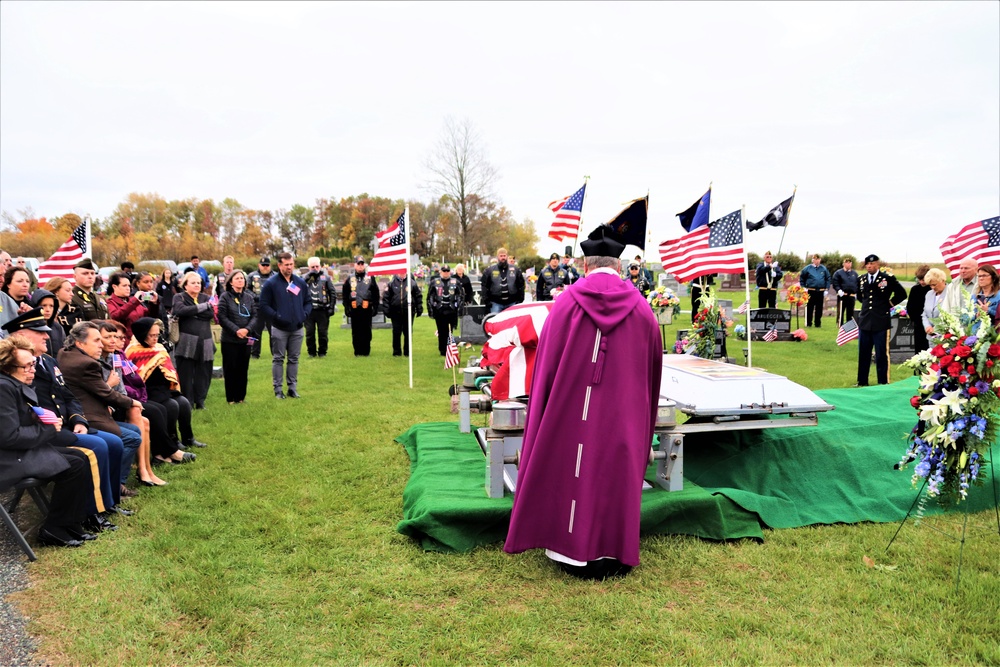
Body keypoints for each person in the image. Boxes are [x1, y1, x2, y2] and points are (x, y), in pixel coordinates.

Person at [504, 224, 663, 579]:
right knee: (614, 473)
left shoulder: (565, 305)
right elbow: (652, 371)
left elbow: (544, 368)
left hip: (569, 413)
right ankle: (613, 553)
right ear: (619, 266)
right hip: (623, 415)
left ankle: (568, 552)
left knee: (570, 467)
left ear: (585, 265)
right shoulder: (641, 309)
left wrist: (544, 409)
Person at [5, 309, 125, 531]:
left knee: (115, 442)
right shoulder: (15, 368)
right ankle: (92, 512)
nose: (47, 336)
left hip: (65, 424)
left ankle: (108, 503)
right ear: (20, 334)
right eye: (39, 332)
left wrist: (79, 420)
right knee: (97, 446)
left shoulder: (48, 361)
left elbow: (68, 395)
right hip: (45, 431)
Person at [0, 335, 97, 548]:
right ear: (7, 368)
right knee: (75, 465)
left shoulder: (15, 383)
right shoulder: (4, 388)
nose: (31, 370)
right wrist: (47, 429)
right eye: (25, 367)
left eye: (32, 364)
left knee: (79, 457)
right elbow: (9, 436)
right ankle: (54, 529)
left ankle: (69, 525)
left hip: (21, 452)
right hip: (8, 460)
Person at [57, 321, 144, 502]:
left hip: (88, 411)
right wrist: (132, 402)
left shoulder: (66, 353)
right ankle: (115, 485)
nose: (102, 344)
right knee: (132, 438)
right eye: (97, 340)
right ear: (80, 343)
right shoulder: (85, 363)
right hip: (87, 416)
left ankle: (118, 483)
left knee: (135, 431)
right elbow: (106, 393)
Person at [126, 318, 206, 450]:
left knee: (184, 403)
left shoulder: (159, 347)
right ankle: (172, 439)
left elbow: (170, 370)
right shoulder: (133, 351)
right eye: (151, 335)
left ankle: (188, 438)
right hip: (147, 392)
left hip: (165, 388)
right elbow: (136, 379)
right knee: (172, 405)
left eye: (157, 335)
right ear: (142, 334)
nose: (155, 338)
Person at [260, 252, 311, 397]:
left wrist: (304, 315)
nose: (289, 267)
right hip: (280, 328)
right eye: (286, 265)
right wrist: (277, 317)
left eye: (291, 264)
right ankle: (278, 389)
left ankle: (292, 388)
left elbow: (307, 301)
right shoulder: (271, 284)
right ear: (280, 265)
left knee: (294, 359)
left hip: (297, 328)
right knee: (278, 359)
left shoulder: (299, 282)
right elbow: (264, 305)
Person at [856, 254, 907, 387]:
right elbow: (861, 297)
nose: (869, 266)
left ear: (878, 264)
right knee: (863, 353)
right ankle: (862, 381)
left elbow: (902, 293)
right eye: (867, 264)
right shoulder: (861, 279)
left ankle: (883, 382)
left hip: (880, 321)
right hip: (865, 321)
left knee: (881, 355)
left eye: (872, 264)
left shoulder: (887, 278)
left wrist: (888, 304)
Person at [171, 272, 216, 409]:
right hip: (187, 341)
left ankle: (200, 400)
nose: (197, 285)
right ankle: (188, 401)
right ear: (185, 285)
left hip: (206, 340)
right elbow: (180, 311)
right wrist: (202, 307)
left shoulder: (205, 297)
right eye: (193, 283)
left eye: (199, 283)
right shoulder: (179, 297)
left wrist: (193, 312)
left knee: (204, 373)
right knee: (186, 373)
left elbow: (210, 314)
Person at [217, 270, 259, 403]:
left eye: (242, 278)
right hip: (230, 339)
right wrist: (236, 330)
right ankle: (231, 398)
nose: (240, 280)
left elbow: (255, 316)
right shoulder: (225, 297)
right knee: (230, 369)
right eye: (237, 278)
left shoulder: (249, 297)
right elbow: (222, 317)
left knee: (243, 369)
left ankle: (241, 398)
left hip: (246, 339)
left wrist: (247, 329)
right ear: (230, 281)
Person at [341, 255, 378, 357]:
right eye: (359, 264)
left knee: (366, 331)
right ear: (355, 265)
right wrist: (346, 307)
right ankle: (357, 351)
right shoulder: (350, 279)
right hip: (355, 309)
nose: (361, 266)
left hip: (367, 309)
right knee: (356, 331)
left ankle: (366, 351)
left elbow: (376, 293)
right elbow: (345, 294)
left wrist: (375, 306)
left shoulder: (370, 277)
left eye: (362, 264)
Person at [427, 265, 464, 356]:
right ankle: (442, 350)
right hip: (440, 309)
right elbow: (430, 297)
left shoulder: (455, 282)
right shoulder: (435, 282)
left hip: (451, 309)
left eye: (447, 271)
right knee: (441, 330)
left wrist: (459, 307)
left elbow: (460, 295)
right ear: (441, 272)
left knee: (450, 331)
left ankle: (449, 348)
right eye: (444, 271)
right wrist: (432, 308)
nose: (446, 273)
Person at [106, 272, 154, 343]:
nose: (128, 288)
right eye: (124, 286)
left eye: (129, 286)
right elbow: (114, 316)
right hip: (123, 342)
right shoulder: (110, 302)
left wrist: (154, 304)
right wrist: (134, 301)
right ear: (114, 287)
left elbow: (149, 316)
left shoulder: (132, 301)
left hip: (139, 341)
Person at [382, 273, 422, 356]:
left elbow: (418, 296)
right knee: (396, 332)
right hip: (395, 312)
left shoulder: (412, 283)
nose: (402, 273)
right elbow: (386, 297)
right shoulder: (391, 283)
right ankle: (396, 352)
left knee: (408, 332)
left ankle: (407, 352)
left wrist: (419, 308)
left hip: (409, 311)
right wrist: (387, 310)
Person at [303, 256, 336, 358]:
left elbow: (332, 293)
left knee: (323, 333)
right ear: (309, 267)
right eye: (313, 267)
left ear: (320, 266)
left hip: (323, 310)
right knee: (309, 333)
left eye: (317, 266)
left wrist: (331, 307)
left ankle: (322, 352)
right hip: (309, 311)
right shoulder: (304, 279)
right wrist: (307, 277)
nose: (315, 268)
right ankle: (311, 352)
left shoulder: (325, 278)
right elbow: (296, 290)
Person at [480, 247, 525, 314]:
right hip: (495, 303)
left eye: (504, 256)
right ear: (497, 257)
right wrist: (486, 301)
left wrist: (520, 299)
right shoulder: (490, 270)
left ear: (507, 256)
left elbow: (521, 285)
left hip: (512, 302)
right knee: (495, 322)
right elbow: (484, 286)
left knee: (512, 323)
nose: (503, 258)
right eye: (501, 256)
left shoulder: (516, 270)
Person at [800, 254, 831, 327]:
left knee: (819, 308)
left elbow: (828, 278)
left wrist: (826, 288)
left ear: (820, 260)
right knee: (810, 307)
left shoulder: (823, 269)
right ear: (812, 260)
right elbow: (802, 278)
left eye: (818, 259)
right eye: (815, 259)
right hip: (811, 290)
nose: (816, 261)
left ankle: (818, 323)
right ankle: (808, 323)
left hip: (820, 291)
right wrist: (804, 287)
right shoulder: (807, 268)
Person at [30, 288, 64, 355]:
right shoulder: (30, 328)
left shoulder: (58, 327)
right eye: (44, 305)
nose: (48, 309)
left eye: (51, 306)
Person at [906, 265, 932, 353]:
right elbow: (910, 307)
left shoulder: (933, 289)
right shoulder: (915, 289)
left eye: (923, 279)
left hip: (932, 324)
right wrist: (916, 320)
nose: (922, 282)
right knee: (919, 348)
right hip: (919, 324)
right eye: (919, 279)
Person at [832, 257, 860, 324]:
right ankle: (840, 325)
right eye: (846, 263)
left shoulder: (855, 274)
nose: (848, 264)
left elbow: (857, 283)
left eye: (849, 263)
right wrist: (838, 290)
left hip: (851, 296)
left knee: (850, 313)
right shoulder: (838, 273)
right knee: (841, 311)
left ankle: (849, 327)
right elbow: (835, 282)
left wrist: (856, 292)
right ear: (843, 264)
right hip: (842, 295)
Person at [921, 268, 949, 335]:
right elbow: (924, 314)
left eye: (934, 284)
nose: (932, 287)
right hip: (930, 336)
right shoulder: (929, 294)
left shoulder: (950, 293)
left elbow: (950, 315)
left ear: (942, 281)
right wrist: (927, 326)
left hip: (945, 336)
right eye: (930, 285)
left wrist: (935, 329)